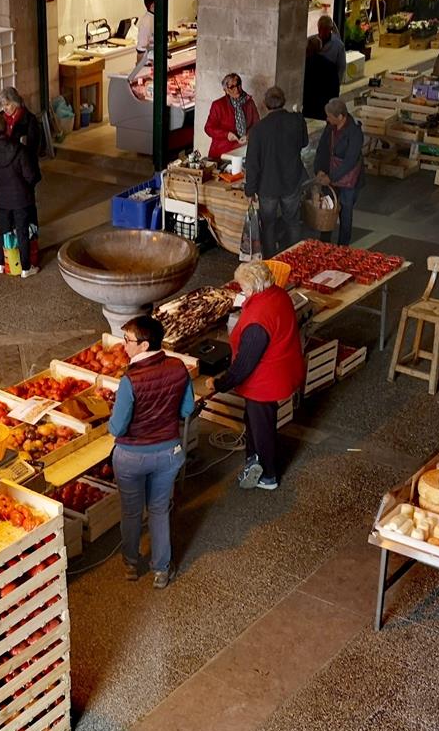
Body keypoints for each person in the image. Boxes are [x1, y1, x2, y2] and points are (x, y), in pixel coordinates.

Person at [109, 315, 195, 589]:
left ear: (144, 345)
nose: (124, 346)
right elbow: (186, 409)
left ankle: (131, 564)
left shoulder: (129, 380)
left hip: (131, 457)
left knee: (132, 512)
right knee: (159, 509)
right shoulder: (178, 367)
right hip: (168, 453)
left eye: (128, 341)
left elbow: (118, 427)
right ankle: (161, 570)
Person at [214, 261, 305, 491]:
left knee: (261, 425)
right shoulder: (278, 295)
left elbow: (245, 364)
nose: (242, 290)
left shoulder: (258, 319)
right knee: (257, 421)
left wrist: (220, 384)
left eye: (243, 287)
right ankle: (254, 458)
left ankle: (268, 474)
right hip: (283, 369)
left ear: (254, 287)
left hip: (264, 382)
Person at [243, 85, 308, 258]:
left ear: (264, 104)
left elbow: (252, 164)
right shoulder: (297, 121)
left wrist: (250, 190)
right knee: (293, 221)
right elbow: (304, 143)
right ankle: (294, 256)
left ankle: (271, 259)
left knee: (269, 224)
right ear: (284, 101)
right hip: (292, 180)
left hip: (268, 185)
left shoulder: (258, 130)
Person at [0, 111, 41, 274]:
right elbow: (31, 176)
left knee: (4, 229)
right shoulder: (19, 150)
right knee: (22, 231)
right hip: (21, 198)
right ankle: (26, 268)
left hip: (1, 199)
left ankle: (1, 264)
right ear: (7, 128)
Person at [314, 96, 365, 245]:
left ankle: (343, 246)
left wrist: (332, 177)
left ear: (340, 117)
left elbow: (350, 160)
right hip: (331, 173)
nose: (327, 119)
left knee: (346, 212)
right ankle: (324, 243)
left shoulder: (354, 132)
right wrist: (320, 169)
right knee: (328, 208)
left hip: (349, 180)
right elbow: (322, 149)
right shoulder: (330, 127)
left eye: (330, 116)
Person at [204, 72, 260, 161]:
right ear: (226, 90)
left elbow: (257, 124)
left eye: (238, 85)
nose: (237, 89)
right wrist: (227, 135)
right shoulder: (218, 105)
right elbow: (208, 128)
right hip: (223, 152)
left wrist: (248, 135)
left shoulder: (249, 102)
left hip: (243, 149)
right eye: (232, 87)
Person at [302, 35, 340, 121]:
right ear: (320, 48)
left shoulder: (303, 66)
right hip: (323, 110)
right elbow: (335, 89)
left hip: (307, 108)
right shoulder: (330, 65)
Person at [316, 15, 348, 82]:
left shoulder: (338, 45)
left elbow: (341, 67)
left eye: (324, 30)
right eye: (320, 29)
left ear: (330, 29)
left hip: (330, 82)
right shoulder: (312, 42)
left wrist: (336, 85)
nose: (321, 33)